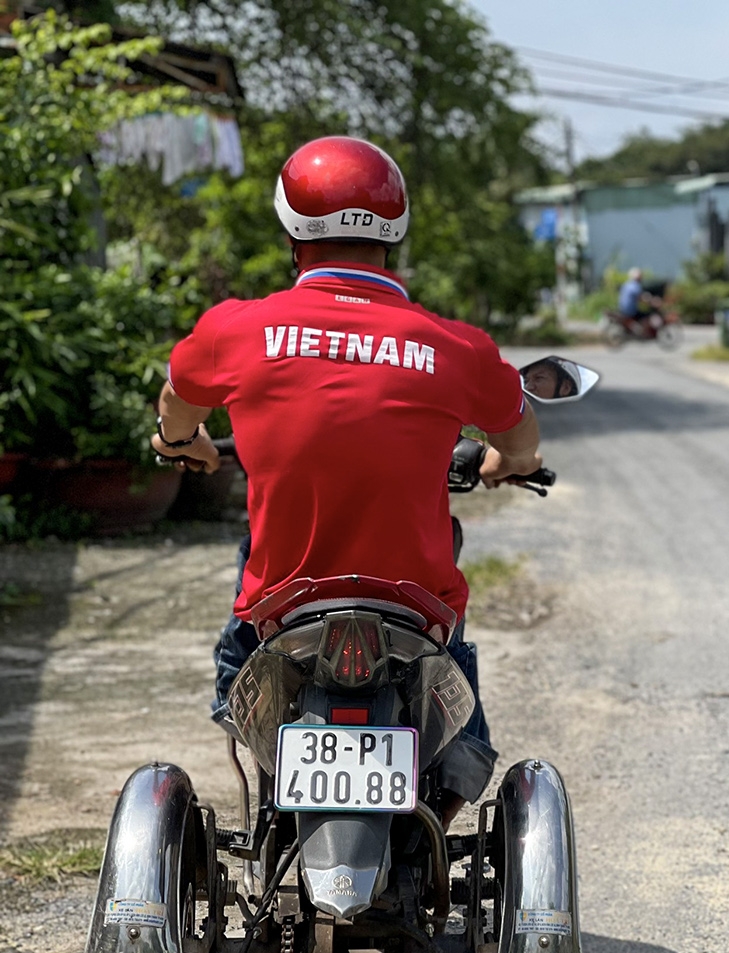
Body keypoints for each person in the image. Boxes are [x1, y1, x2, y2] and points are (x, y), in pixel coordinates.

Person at [151, 135, 540, 828]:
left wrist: (186, 445)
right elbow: (521, 437)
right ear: (394, 237)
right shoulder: (458, 347)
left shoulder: (234, 330)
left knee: (240, 645)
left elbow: (177, 405)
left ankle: (267, 775)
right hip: (413, 608)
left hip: (284, 606)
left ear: (292, 236)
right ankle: (443, 805)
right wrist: (507, 462)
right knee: (454, 661)